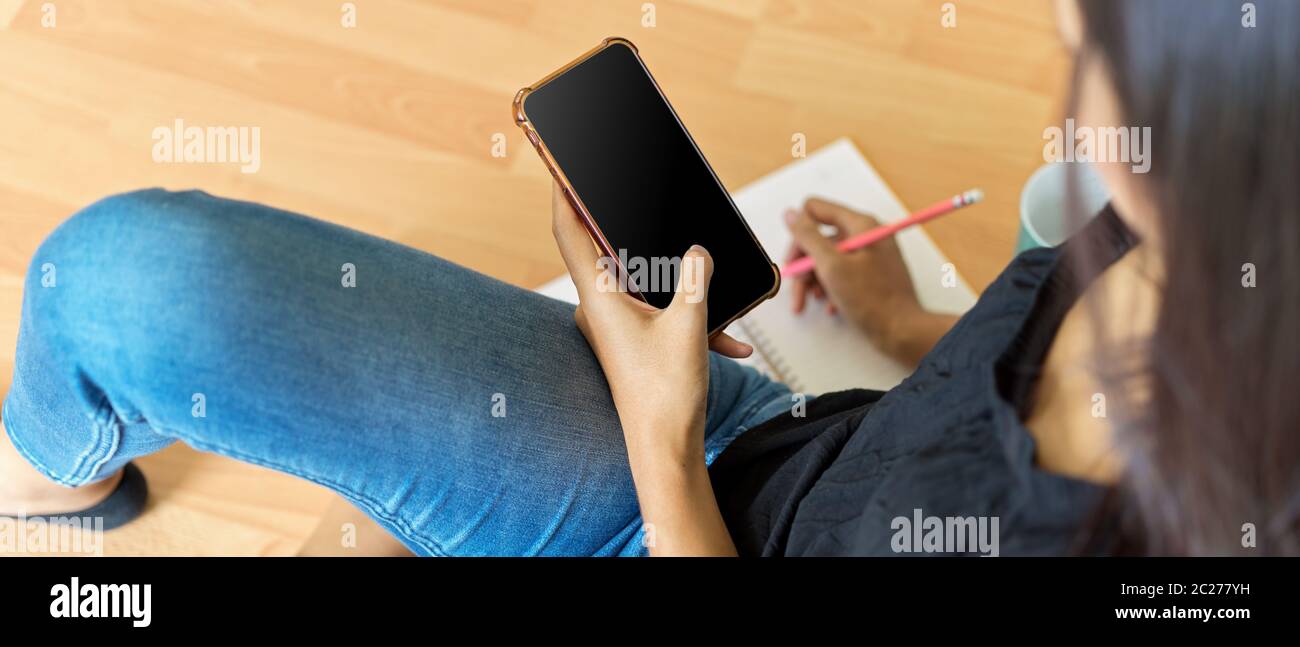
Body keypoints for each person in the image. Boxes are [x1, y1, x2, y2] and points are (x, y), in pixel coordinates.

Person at [1, 0, 1296, 556]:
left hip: (676, 503)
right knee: (121, 283)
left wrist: (660, 437)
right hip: (760, 444)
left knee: (126, 306)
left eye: (1091, 55)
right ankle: (58, 470)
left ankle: (48, 482)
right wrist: (913, 328)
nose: (1064, 97)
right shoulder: (1222, 253)